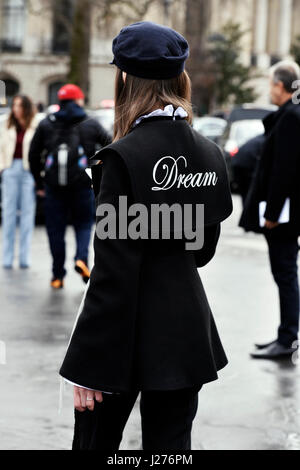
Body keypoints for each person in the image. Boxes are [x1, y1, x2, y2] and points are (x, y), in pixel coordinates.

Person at [59, 21, 233, 451]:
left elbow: (114, 273)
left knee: (95, 446)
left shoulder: (120, 159)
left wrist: (88, 364)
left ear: (124, 80)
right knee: (171, 451)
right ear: (180, 77)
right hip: (185, 332)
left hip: (124, 339)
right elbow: (202, 250)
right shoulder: (209, 152)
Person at [240, 61, 300, 359]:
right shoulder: (289, 115)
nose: (269, 90)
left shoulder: (291, 117)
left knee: (285, 274)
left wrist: (273, 214)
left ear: (280, 85)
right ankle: (285, 334)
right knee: (285, 273)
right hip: (285, 214)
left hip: (284, 217)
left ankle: (288, 337)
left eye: (270, 84)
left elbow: (284, 171)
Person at [29, 84, 111, 289]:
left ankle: (57, 276)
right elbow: (110, 146)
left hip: (53, 185)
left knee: (55, 230)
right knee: (83, 225)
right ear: (78, 100)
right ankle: (81, 258)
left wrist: (39, 183)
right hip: (83, 184)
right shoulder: (90, 123)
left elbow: (33, 154)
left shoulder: (47, 123)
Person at [0, 94, 40, 269]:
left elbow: (40, 150)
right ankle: (7, 258)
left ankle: (24, 257)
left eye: (19, 106)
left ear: (26, 108)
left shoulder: (35, 125)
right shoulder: (6, 124)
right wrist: (3, 168)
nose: (15, 109)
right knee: (8, 214)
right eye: (14, 106)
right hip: (10, 169)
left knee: (27, 215)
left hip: (28, 171)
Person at [231, 134, 265, 206]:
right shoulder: (265, 140)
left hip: (237, 163)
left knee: (245, 193)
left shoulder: (258, 139)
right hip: (245, 166)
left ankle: (246, 211)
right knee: (250, 192)